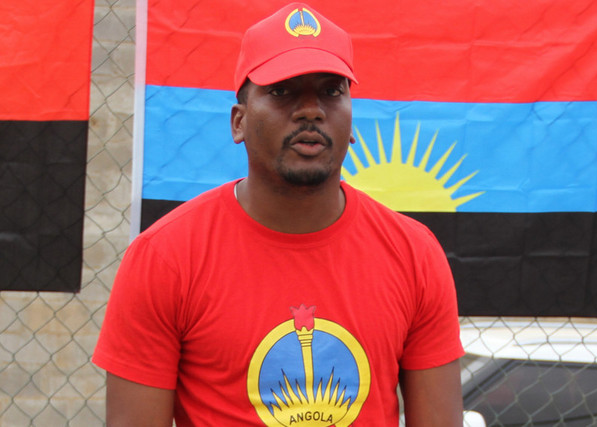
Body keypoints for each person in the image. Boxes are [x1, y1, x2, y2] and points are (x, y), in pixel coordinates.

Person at [92, 3, 464, 426]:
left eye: (331, 91)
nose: (311, 110)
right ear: (238, 122)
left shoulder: (414, 254)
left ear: (351, 120)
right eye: (282, 91)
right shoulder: (164, 258)